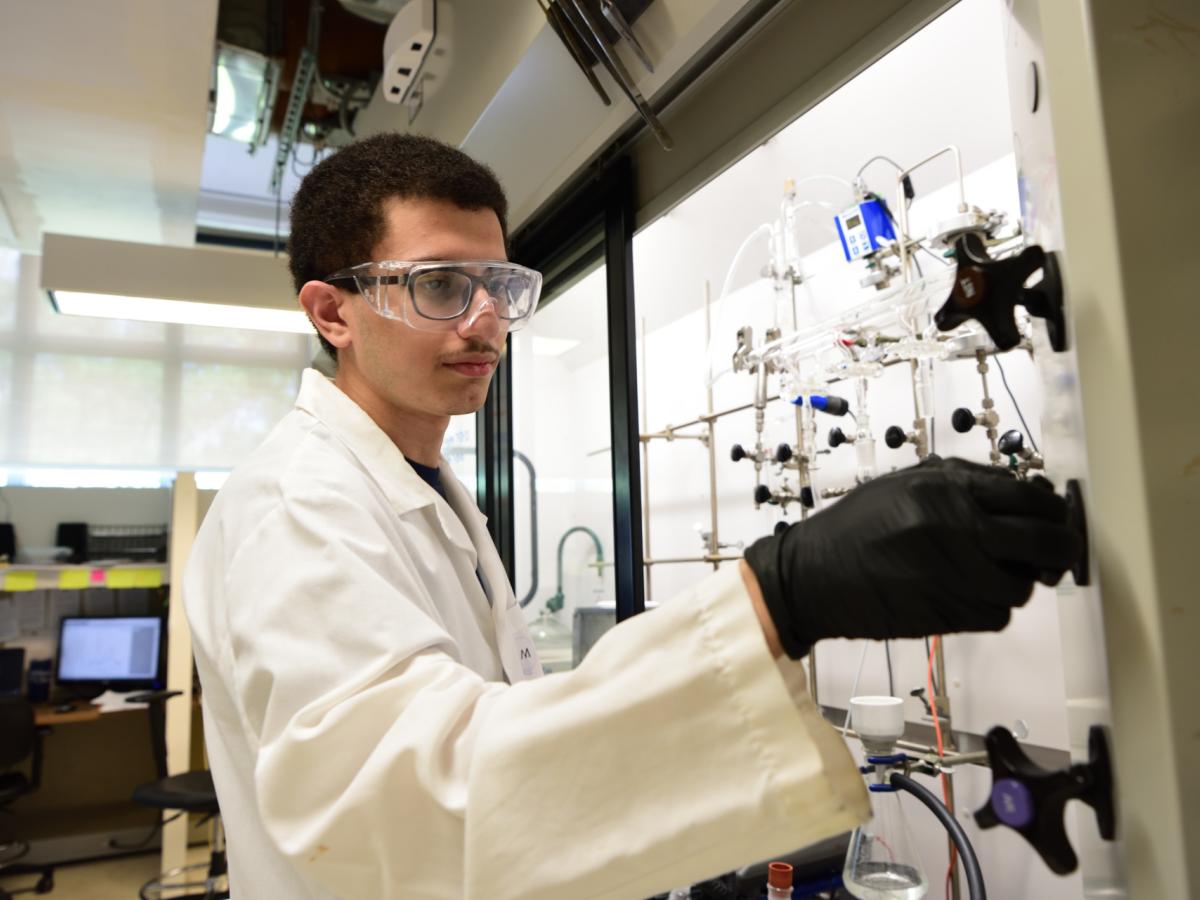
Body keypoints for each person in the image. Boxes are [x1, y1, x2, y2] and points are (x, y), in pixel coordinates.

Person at [184, 133, 1082, 900]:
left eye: (497, 283)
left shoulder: (416, 487)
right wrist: (778, 598)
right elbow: (405, 800)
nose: (487, 320)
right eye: (441, 286)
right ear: (333, 311)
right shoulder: (299, 504)